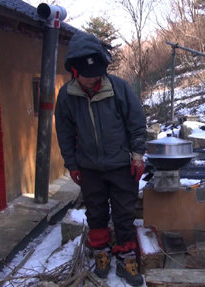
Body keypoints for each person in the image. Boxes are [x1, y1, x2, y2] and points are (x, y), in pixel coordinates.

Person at [55, 32, 147, 286]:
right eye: (87, 75)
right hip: (89, 167)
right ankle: (101, 253)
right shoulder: (67, 96)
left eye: (96, 74)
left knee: (124, 213)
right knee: (95, 212)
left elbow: (137, 123)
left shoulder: (118, 88)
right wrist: (71, 163)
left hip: (120, 164)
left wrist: (138, 155)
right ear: (75, 71)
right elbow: (64, 132)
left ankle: (127, 256)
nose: (92, 79)